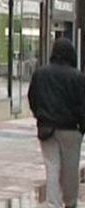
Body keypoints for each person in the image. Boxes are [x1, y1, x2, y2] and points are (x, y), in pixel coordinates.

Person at [28, 38, 85, 208]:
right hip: (71, 129)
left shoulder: (40, 74)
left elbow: (32, 97)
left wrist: (40, 115)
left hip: (47, 128)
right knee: (70, 169)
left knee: (51, 167)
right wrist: (82, 127)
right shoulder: (77, 77)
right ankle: (70, 202)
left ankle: (53, 203)